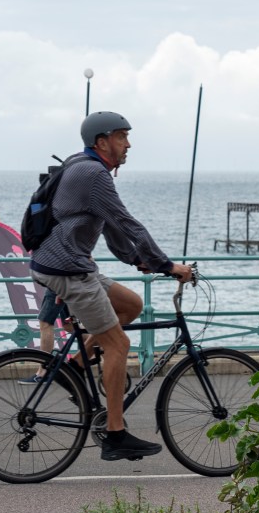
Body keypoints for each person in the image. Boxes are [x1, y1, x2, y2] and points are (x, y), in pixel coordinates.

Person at [29, 111, 193, 461]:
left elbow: (111, 229)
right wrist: (167, 265)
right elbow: (127, 222)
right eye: (121, 137)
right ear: (101, 142)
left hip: (69, 264)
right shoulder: (93, 174)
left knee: (131, 305)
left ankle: (75, 366)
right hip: (68, 269)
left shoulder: (83, 168)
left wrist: (140, 261)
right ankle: (115, 435)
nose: (128, 144)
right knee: (118, 344)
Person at [18, 288, 71, 384]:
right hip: (72, 279)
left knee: (45, 322)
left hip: (58, 280)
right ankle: (101, 350)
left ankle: (43, 372)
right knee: (70, 326)